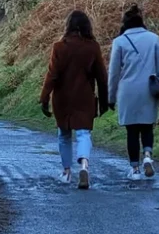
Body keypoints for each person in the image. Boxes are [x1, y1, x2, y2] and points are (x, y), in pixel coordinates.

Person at [40, 10, 109, 189]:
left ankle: (67, 172)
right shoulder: (92, 47)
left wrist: (44, 97)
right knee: (84, 133)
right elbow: (102, 77)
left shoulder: (59, 47)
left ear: (68, 26)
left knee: (64, 135)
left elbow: (52, 75)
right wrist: (104, 101)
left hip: (62, 98)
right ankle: (84, 166)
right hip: (84, 97)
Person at [108, 4, 159, 181]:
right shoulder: (154, 38)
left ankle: (135, 169)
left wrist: (110, 97)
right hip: (149, 89)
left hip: (128, 91)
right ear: (141, 22)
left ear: (125, 24)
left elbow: (114, 73)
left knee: (132, 130)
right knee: (147, 126)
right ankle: (147, 155)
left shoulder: (119, 42)